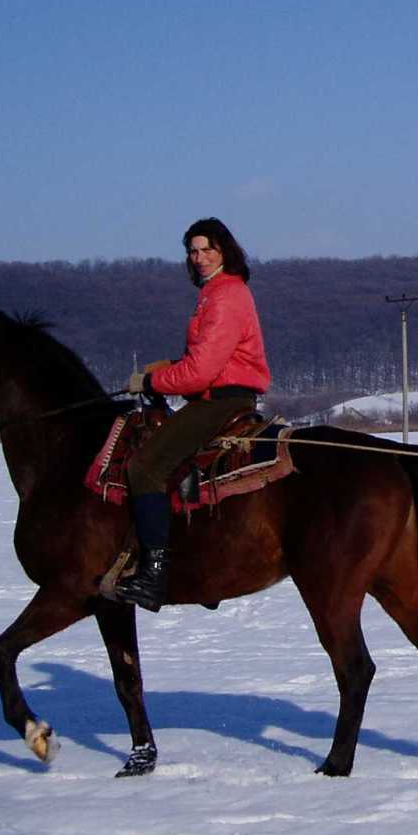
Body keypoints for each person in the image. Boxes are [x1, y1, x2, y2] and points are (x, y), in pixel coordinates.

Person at [114, 217, 271, 611]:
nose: (199, 258)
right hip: (216, 394)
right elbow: (201, 359)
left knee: (144, 466)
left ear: (225, 251)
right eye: (193, 251)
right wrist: (164, 367)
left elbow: (201, 371)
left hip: (222, 401)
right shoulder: (214, 292)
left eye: (207, 250)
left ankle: (153, 574)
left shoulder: (226, 294)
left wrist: (151, 383)